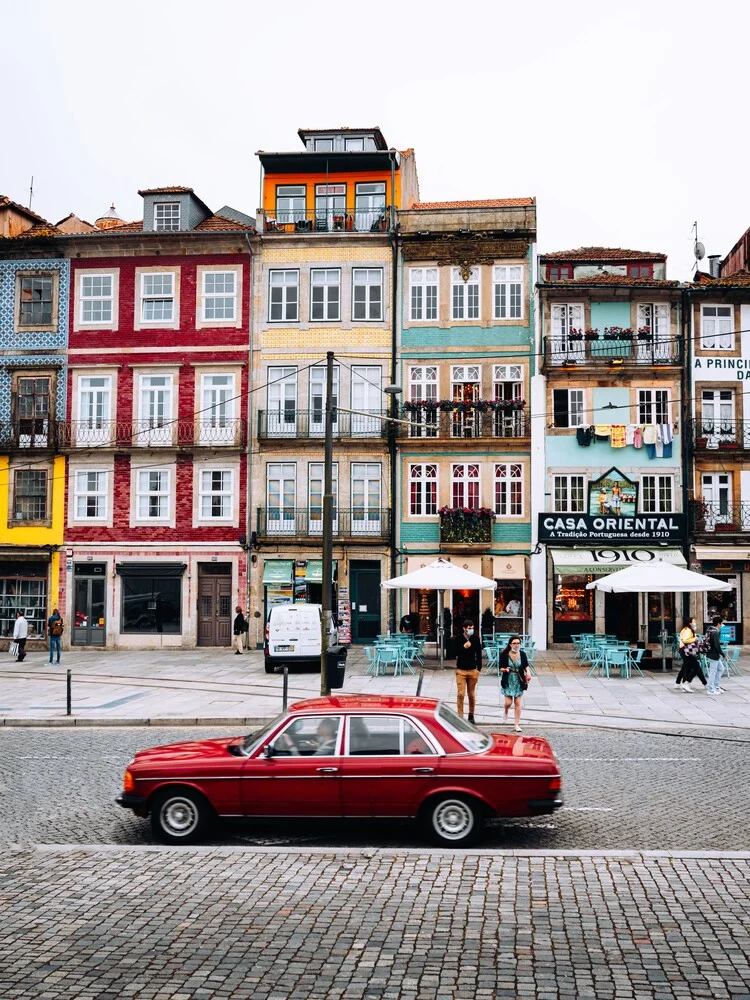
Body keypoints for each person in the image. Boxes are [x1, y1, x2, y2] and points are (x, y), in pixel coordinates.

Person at [498, 635, 531, 732]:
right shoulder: (504, 654)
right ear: (510, 644)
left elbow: (526, 666)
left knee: (517, 703)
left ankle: (516, 724)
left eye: (518, 643)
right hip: (508, 679)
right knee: (508, 702)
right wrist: (505, 669)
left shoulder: (523, 654)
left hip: (519, 680)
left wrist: (528, 672)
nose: (516, 645)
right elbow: (500, 668)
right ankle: (506, 710)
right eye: (514, 643)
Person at [455, 619, 482, 723]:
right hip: (461, 670)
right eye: (469, 628)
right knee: (460, 694)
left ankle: (471, 715)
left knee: (471, 694)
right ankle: (460, 716)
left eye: (472, 628)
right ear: (464, 628)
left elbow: (479, 654)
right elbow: (454, 652)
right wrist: (464, 647)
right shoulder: (458, 638)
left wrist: (478, 669)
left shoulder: (475, 638)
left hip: (472, 670)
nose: (471, 630)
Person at [676, 616, 706, 692]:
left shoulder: (685, 629)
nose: (695, 623)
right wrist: (695, 639)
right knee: (696, 667)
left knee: (687, 667)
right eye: (693, 621)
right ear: (690, 623)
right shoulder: (688, 630)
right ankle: (686, 683)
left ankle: (683, 684)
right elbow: (685, 640)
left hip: (685, 650)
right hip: (687, 651)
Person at [704, 614, 725, 695]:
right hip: (713, 654)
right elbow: (717, 645)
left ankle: (716, 686)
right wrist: (723, 654)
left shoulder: (710, 630)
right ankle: (710, 689)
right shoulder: (715, 632)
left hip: (712, 654)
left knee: (721, 668)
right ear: (719, 623)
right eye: (721, 623)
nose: (722, 625)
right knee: (713, 671)